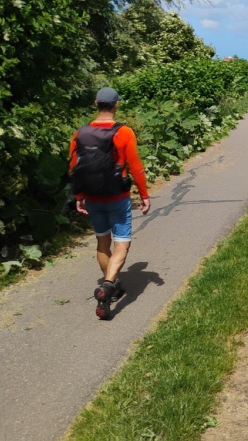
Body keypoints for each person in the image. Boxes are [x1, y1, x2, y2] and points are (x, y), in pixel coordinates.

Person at [69, 87, 151, 320]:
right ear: (116, 105)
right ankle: (107, 286)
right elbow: (135, 166)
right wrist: (144, 195)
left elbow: (73, 167)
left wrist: (78, 196)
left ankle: (111, 286)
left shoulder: (80, 133)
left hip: (93, 198)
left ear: (96, 103)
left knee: (102, 243)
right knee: (122, 245)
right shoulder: (124, 132)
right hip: (118, 198)